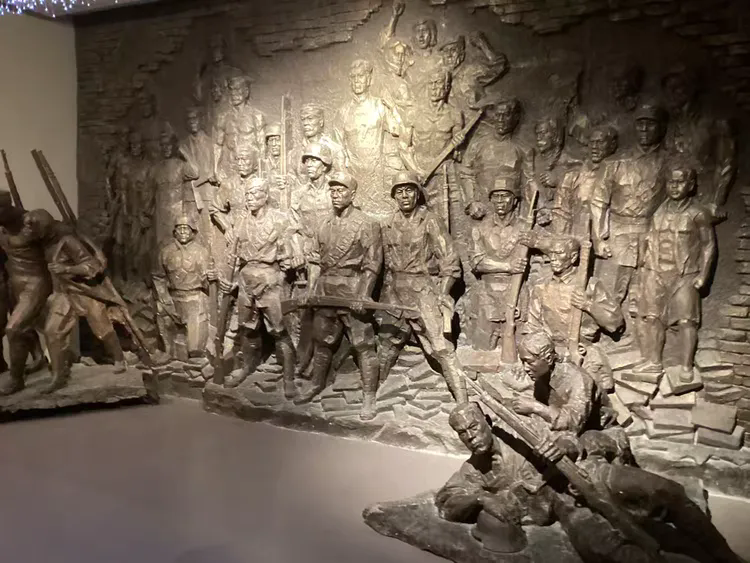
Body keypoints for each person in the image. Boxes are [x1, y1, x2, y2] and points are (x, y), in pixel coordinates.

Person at [294, 171, 383, 420]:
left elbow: (372, 264)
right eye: (332, 190)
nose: (335, 194)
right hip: (326, 290)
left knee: (363, 345)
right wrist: (312, 291)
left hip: (352, 289)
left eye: (341, 190)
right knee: (322, 342)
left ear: (352, 194)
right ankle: (316, 383)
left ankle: (369, 396)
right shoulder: (323, 224)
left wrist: (363, 294)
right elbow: (315, 262)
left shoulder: (366, 224)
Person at [378, 171, 467, 403]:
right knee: (387, 343)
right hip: (394, 290)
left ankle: (463, 401)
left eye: (409, 190)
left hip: (423, 289)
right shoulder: (387, 224)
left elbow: (449, 260)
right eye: (399, 191)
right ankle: (373, 394)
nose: (404, 196)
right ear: (394, 196)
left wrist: (443, 293)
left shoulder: (430, 220)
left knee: (441, 347)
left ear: (417, 194)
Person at [24, 209, 127, 393]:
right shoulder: (43, 244)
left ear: (43, 228)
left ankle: (119, 358)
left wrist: (66, 269)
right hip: (63, 294)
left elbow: (92, 266)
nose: (28, 232)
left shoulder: (67, 241)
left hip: (83, 292)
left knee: (102, 329)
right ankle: (58, 376)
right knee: (53, 332)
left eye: (32, 228)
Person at [435, 402, 553, 553]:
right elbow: (447, 505)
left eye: (473, 427)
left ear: (488, 422)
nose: (470, 437)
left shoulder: (519, 435)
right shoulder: (473, 469)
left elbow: (564, 441)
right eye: (462, 433)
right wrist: (482, 498)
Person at [634, 166, 716, 381]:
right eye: (671, 182)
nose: (674, 186)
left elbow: (708, 245)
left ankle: (686, 366)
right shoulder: (658, 211)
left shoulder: (698, 214)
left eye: (680, 182)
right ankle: (654, 362)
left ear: (690, 185)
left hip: (685, 276)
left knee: (686, 321)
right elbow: (647, 238)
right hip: (656, 272)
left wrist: (704, 275)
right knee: (653, 318)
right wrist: (643, 266)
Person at [221, 178, 300, 397]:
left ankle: (289, 377)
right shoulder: (242, 222)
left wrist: (281, 274)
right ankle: (247, 366)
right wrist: (230, 279)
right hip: (246, 279)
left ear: (265, 196)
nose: (250, 198)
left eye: (255, 194)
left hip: (271, 279)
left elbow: (289, 258)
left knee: (279, 330)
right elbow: (233, 256)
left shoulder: (279, 220)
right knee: (248, 328)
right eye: (247, 194)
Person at [592, 103, 668, 309]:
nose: (644, 129)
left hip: (651, 234)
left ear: (661, 127)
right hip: (617, 234)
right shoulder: (614, 163)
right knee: (607, 295)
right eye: (640, 123)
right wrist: (599, 238)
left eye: (650, 124)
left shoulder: (669, 163)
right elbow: (599, 202)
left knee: (647, 298)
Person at [523, 235, 623, 391]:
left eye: (559, 253)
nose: (553, 258)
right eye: (551, 253)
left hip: (584, 354)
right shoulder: (541, 287)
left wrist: (588, 305)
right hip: (549, 356)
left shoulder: (590, 285)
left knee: (593, 390)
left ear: (574, 257)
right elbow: (532, 327)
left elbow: (615, 324)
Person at [465, 174, 528, 351]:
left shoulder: (525, 227)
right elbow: (477, 262)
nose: (500, 200)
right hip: (487, 294)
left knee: (521, 349)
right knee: (483, 347)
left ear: (514, 201)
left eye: (505, 195)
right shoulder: (479, 228)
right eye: (496, 196)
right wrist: (508, 266)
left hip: (516, 292)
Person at [334, 59, 401, 217]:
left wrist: (393, 108)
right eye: (353, 77)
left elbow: (397, 130)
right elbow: (338, 148)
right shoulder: (343, 112)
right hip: (354, 176)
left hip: (377, 175)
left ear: (369, 79)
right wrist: (344, 178)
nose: (357, 80)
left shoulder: (380, 106)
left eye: (361, 76)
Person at [0, 199, 52, 395]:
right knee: (25, 326)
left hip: (35, 283)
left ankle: (16, 379)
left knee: (14, 329)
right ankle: (38, 357)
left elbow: (62, 239)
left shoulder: (34, 221)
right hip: (13, 283)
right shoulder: (4, 227)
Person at [152, 216, 214, 360]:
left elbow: (206, 281)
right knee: (172, 347)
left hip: (195, 299)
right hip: (172, 299)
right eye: (179, 228)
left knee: (195, 349)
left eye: (186, 228)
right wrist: (165, 300)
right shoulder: (166, 252)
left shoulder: (201, 252)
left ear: (193, 231)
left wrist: (211, 278)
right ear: (174, 232)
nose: (183, 232)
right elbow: (158, 277)